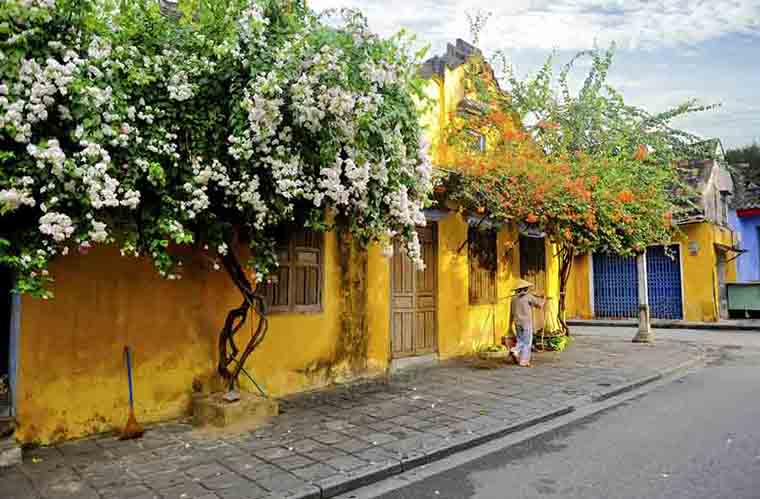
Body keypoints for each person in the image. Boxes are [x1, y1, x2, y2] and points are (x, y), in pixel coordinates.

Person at [509, 279, 546, 367]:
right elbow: (540, 305)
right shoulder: (529, 297)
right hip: (526, 323)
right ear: (525, 289)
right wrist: (543, 298)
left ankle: (516, 351)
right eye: (527, 288)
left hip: (517, 323)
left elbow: (511, 313)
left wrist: (510, 324)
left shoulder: (513, 298)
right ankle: (522, 360)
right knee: (527, 343)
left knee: (520, 340)